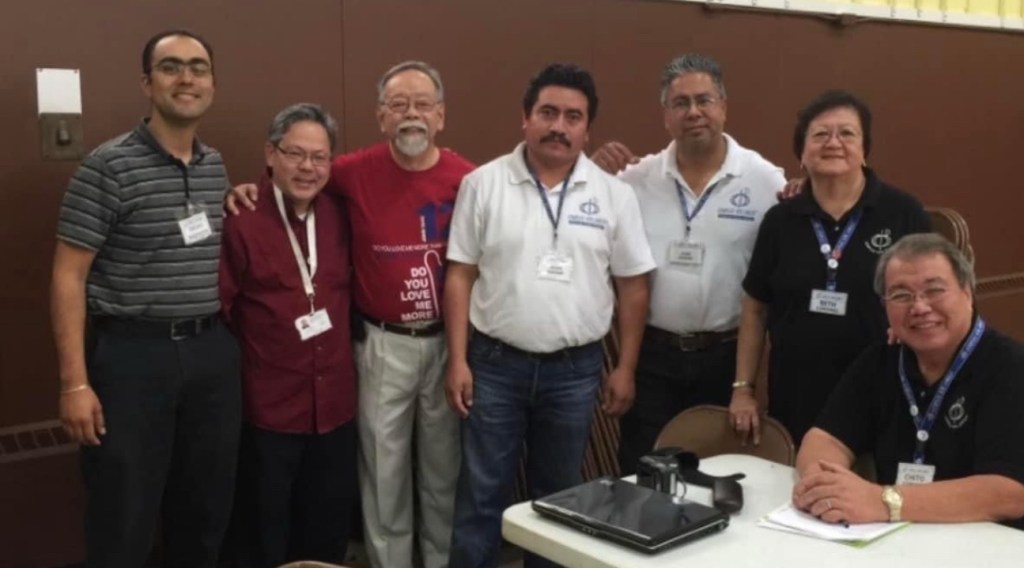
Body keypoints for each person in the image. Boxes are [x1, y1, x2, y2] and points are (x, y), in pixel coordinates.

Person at [226, 61, 472, 568]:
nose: (411, 114)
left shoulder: (469, 179)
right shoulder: (351, 172)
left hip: (448, 344)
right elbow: (293, 178)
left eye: (422, 104)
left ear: (441, 115)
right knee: (383, 477)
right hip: (382, 343)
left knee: (444, 475)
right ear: (381, 116)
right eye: (398, 104)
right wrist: (245, 190)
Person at [444, 63, 656, 568]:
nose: (559, 126)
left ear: (588, 129)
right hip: (493, 366)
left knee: (560, 500)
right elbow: (460, 275)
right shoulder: (483, 183)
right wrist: (458, 359)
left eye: (573, 117)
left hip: (575, 372)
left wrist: (625, 367)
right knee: (481, 495)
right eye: (548, 113)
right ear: (526, 118)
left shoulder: (614, 195)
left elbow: (633, 287)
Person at [50, 30, 240, 567]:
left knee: (203, 510)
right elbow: (67, 277)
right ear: (147, 83)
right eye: (171, 67)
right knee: (124, 515)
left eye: (198, 67)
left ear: (212, 84)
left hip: (210, 353)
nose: (187, 78)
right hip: (133, 359)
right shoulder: (107, 166)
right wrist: (74, 383)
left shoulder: (214, 164)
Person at [591, 53, 787, 474]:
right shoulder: (635, 180)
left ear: (724, 107)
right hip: (653, 356)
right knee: (642, 472)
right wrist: (592, 169)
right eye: (680, 103)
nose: (693, 112)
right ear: (666, 115)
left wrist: (746, 385)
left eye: (704, 100)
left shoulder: (764, 180)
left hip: (726, 358)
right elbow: (579, 217)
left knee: (717, 476)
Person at [729, 90, 931, 445]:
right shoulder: (780, 221)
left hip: (885, 387)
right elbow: (755, 307)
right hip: (796, 393)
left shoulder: (903, 213)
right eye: (820, 134)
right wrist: (744, 388)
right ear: (801, 153)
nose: (833, 143)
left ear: (864, 149)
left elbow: (934, 294)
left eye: (847, 133)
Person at [793, 233, 1024, 528]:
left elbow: (1008, 493)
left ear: (967, 292)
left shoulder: (1011, 367)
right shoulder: (881, 361)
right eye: (901, 295)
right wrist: (825, 487)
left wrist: (882, 501)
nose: (920, 307)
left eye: (934, 290)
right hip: (894, 536)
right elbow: (825, 438)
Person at [219, 103, 357, 567]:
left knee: (327, 529)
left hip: (335, 408)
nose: (307, 167)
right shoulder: (241, 219)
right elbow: (221, 314)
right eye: (295, 153)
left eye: (319, 157)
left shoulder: (341, 215)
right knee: (263, 532)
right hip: (269, 410)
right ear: (270, 154)